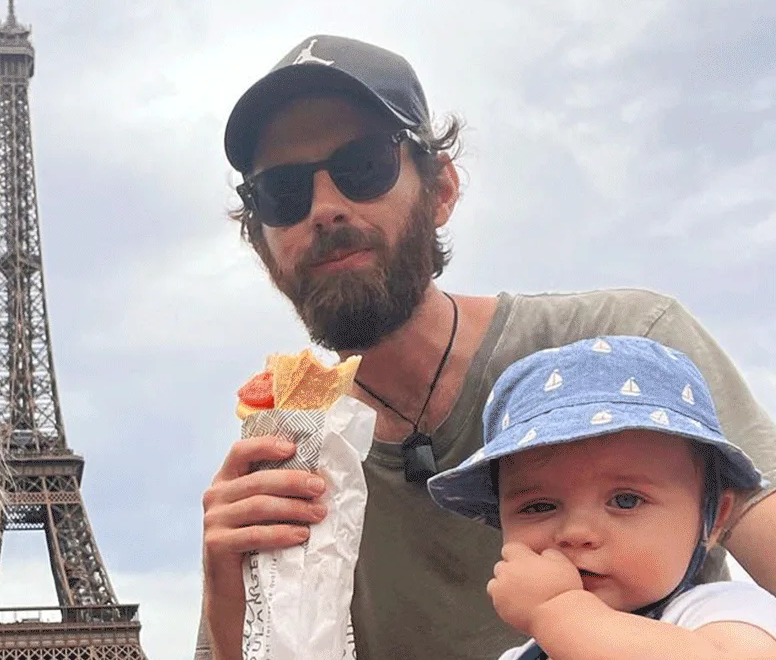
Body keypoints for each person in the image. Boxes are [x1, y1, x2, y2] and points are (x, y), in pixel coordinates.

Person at [197, 35, 776, 660]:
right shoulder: (291, 457)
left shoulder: (633, 342)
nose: (325, 208)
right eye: (281, 192)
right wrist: (229, 593)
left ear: (441, 190)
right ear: (259, 241)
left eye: (363, 166)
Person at [427, 336, 776, 659]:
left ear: (713, 520)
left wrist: (557, 610)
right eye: (539, 506)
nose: (576, 533)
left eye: (626, 501)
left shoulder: (725, 615)